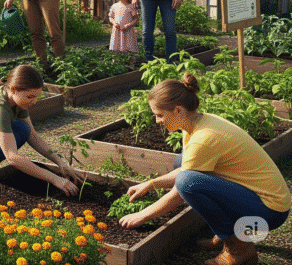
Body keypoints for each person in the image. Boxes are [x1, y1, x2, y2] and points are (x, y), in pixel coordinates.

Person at [119, 74, 289, 265]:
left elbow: (179, 191)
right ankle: (230, 233)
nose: (157, 120)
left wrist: (142, 214)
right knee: (181, 163)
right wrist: (151, 184)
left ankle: (239, 249)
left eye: (159, 115)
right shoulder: (196, 122)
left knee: (188, 183)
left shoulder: (203, 138)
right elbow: (186, 167)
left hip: (268, 213)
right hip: (259, 200)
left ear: (178, 110)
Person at [108, 0, 139, 64]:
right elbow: (110, 17)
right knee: (116, 45)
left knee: (129, 45)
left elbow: (136, 19)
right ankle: (115, 61)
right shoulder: (114, 6)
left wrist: (129, 25)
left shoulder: (130, 7)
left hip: (128, 30)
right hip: (117, 30)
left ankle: (132, 62)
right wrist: (114, 23)